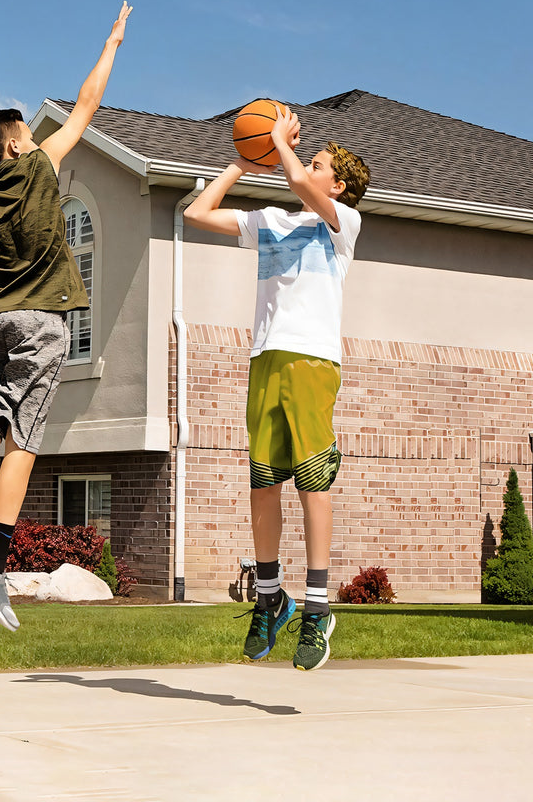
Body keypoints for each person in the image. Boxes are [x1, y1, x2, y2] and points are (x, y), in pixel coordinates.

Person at [0, 2, 133, 630]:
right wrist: (113, 40)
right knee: (24, 443)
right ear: (16, 144)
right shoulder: (41, 166)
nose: (37, 140)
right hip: (42, 327)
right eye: (29, 135)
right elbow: (87, 105)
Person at [184, 108, 370, 670]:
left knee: (313, 482)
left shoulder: (341, 225)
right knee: (264, 483)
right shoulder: (270, 221)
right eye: (305, 159)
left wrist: (278, 143)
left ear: (336, 187)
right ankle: (272, 596)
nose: (304, 167)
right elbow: (197, 212)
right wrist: (242, 162)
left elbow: (295, 179)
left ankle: (317, 607)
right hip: (265, 359)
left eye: (317, 164)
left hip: (313, 363)